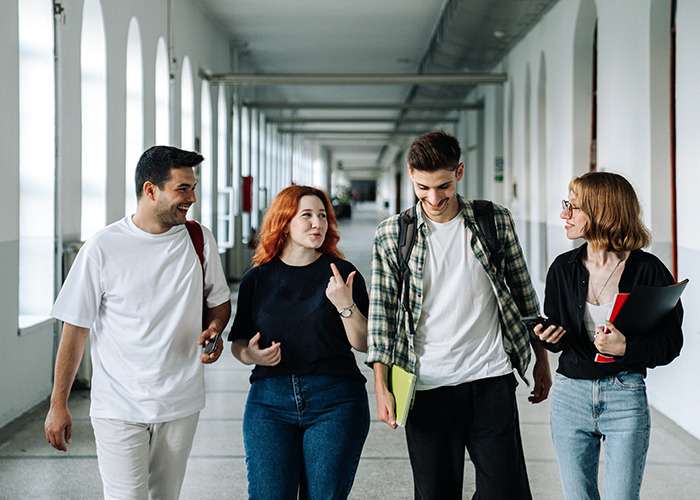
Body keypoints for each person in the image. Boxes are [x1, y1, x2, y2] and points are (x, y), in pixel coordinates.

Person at [366, 130, 551, 499]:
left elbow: (523, 293)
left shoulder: (493, 220)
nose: (433, 198)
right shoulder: (392, 234)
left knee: (507, 492)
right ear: (411, 176)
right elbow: (382, 316)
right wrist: (381, 385)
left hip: (490, 379)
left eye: (443, 186)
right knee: (435, 493)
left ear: (460, 172)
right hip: (426, 385)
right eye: (423, 188)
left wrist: (541, 359)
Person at [44, 146, 231, 500]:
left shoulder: (199, 238)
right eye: (182, 189)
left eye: (192, 188)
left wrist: (215, 329)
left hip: (181, 401)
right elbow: (75, 330)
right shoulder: (102, 247)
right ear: (150, 190)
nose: (191, 198)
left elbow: (218, 302)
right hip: (118, 404)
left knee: (164, 496)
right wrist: (58, 404)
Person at [536, 171, 683, 500]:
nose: (564, 214)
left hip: (624, 398)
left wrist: (626, 348)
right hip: (570, 396)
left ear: (601, 211)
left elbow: (671, 343)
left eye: (572, 207)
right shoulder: (563, 268)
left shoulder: (649, 270)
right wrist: (549, 336)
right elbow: (560, 335)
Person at [229, 185, 370, 499]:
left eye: (322, 215)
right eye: (306, 215)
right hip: (269, 403)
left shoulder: (343, 274)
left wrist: (345, 305)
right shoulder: (257, 279)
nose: (317, 224)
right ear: (284, 221)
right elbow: (238, 341)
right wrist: (251, 355)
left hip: (335, 401)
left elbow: (362, 343)